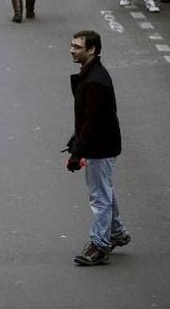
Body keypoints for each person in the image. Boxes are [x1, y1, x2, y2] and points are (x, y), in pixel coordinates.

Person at [65, 30, 129, 266]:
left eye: (77, 46)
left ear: (91, 50)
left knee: (99, 197)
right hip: (102, 143)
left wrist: (77, 152)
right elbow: (88, 119)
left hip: (100, 146)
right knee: (104, 190)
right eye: (72, 45)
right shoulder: (91, 75)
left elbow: (92, 122)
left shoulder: (95, 81)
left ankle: (99, 245)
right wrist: (76, 141)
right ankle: (117, 233)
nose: (72, 49)